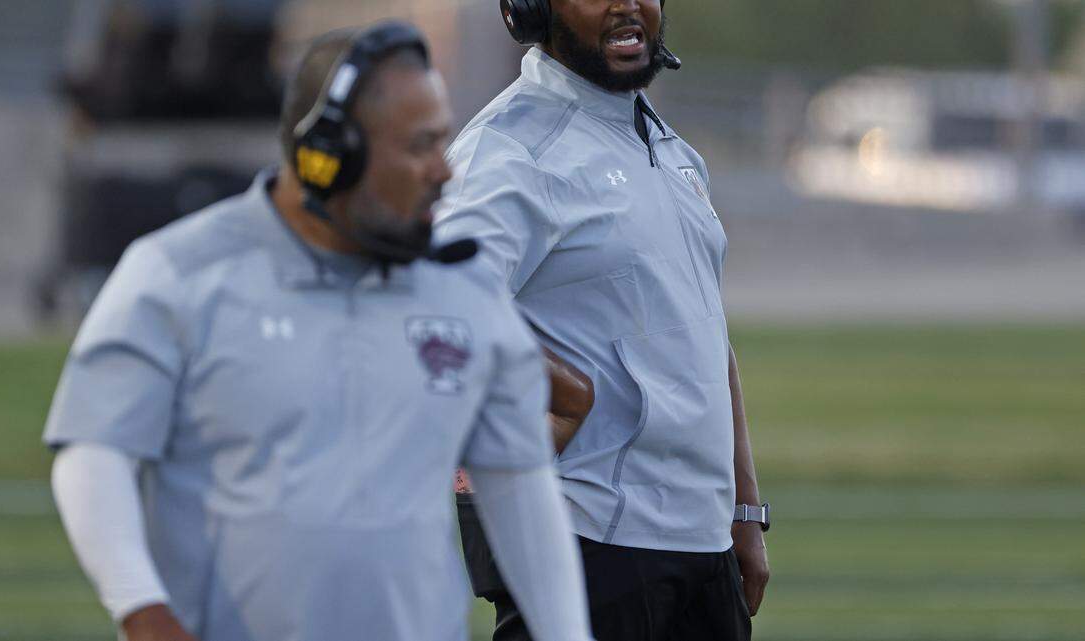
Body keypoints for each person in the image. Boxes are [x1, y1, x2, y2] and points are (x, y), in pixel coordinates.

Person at [43, 21, 595, 641]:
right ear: (327, 156)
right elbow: (95, 450)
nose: (443, 171)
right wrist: (142, 609)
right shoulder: (179, 272)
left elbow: (518, 485)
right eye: (418, 147)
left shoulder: (463, 290)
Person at [435, 2, 771, 640]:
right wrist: (562, 397)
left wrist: (742, 508)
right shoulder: (509, 148)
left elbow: (705, 330)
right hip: (586, 539)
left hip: (700, 541)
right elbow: (437, 308)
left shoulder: (670, 149)